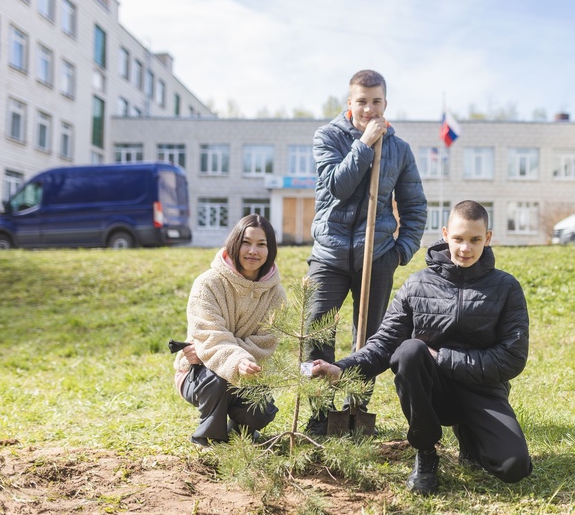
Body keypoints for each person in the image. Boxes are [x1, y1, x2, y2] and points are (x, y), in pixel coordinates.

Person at [312, 200, 532, 495]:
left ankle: (470, 435)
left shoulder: (506, 287)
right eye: (458, 239)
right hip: (431, 392)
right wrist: (342, 368)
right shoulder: (417, 285)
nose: (465, 248)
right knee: (409, 351)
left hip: (482, 389)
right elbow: (385, 342)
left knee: (514, 467)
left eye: (475, 240)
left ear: (488, 238)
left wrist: (442, 358)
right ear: (445, 234)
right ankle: (426, 452)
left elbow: (512, 358)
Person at [305, 69, 427, 434]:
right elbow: (339, 187)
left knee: (371, 335)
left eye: (376, 102)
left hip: (377, 255)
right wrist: (363, 146)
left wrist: (401, 251)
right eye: (362, 102)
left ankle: (357, 410)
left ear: (385, 103)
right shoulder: (327, 137)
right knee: (317, 333)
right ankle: (320, 414)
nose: (369, 110)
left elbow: (415, 206)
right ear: (350, 103)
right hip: (329, 253)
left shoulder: (399, 150)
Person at [173, 214, 286, 447]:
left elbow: (267, 342)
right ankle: (209, 437)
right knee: (219, 377)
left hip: (251, 372)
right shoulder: (208, 284)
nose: (253, 250)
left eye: (261, 244)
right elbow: (209, 335)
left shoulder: (276, 294)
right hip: (198, 374)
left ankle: (241, 432)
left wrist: (237, 358)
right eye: (246, 242)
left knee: (262, 410)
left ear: (270, 249)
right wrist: (233, 359)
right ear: (234, 243)